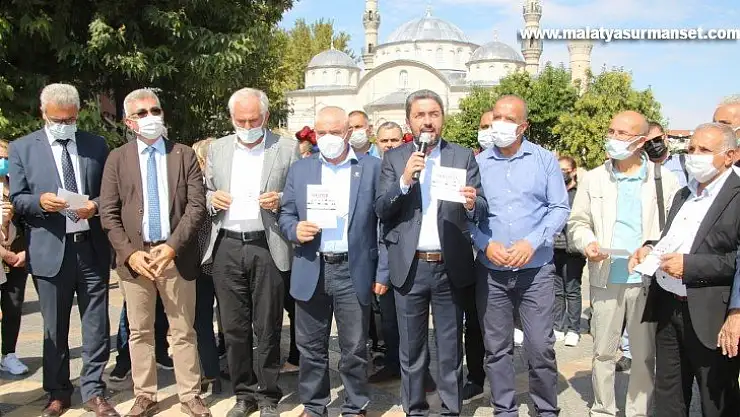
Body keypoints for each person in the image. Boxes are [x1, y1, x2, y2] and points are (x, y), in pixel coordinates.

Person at [375, 89, 486, 416]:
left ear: (443, 118)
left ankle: (450, 410)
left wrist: (471, 203)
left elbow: (481, 206)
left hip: (450, 266)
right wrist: (404, 181)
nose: (427, 121)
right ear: (409, 121)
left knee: (450, 349)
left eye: (433, 114)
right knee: (412, 351)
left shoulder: (462, 156)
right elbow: (381, 208)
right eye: (420, 115)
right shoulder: (395, 159)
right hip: (410, 267)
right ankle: (416, 410)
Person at [9, 83, 117, 417]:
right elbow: (18, 199)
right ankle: (57, 392)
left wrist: (94, 206)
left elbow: (109, 192)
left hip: (90, 249)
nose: (64, 124)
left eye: (70, 119)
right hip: (50, 250)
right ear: (43, 113)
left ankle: (94, 390)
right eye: (57, 119)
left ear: (78, 114)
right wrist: (40, 202)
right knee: (54, 327)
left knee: (96, 325)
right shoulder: (22, 148)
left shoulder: (96, 145)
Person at [100, 88, 210, 417]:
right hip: (136, 260)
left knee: (183, 330)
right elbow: (108, 212)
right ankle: (145, 395)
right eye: (142, 113)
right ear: (129, 122)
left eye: (155, 110)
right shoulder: (117, 158)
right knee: (140, 331)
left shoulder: (183, 155)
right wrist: (130, 254)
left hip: (175, 256)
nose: (151, 117)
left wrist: (173, 246)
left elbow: (196, 206)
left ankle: (190, 394)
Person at [568, 110, 680, 417]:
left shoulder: (663, 180)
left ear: (641, 141)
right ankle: (603, 408)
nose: (613, 138)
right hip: (607, 272)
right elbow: (578, 221)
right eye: (611, 131)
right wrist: (587, 242)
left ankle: (637, 411)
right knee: (603, 351)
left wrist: (652, 251)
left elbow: (674, 229)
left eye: (622, 134)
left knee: (643, 355)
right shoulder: (594, 178)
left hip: (646, 277)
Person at [279, 105, 384, 417]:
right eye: (321, 132)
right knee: (310, 347)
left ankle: (356, 405)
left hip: (353, 269)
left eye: (334, 132)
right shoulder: (301, 169)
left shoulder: (371, 168)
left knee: (354, 347)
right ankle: (314, 406)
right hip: (312, 266)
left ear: (348, 133)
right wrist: (294, 229)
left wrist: (383, 270)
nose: (327, 138)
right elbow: (286, 213)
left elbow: (383, 223)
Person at [632, 122, 740, 417]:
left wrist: (691, 266)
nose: (694, 155)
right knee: (669, 395)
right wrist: (650, 248)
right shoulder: (684, 194)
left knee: (716, 400)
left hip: (711, 314)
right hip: (669, 307)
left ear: (730, 156)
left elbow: (735, 259)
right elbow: (673, 239)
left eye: (704, 150)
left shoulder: (736, 195)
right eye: (691, 148)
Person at [203, 87, 299, 417]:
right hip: (227, 244)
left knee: (268, 325)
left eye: (253, 120)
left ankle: (269, 394)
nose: (247, 126)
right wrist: (212, 199)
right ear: (231, 118)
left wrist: (282, 199)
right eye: (240, 120)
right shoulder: (218, 148)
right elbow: (205, 190)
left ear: (266, 117)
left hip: (267, 244)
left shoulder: (286, 148)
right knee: (233, 326)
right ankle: (243, 394)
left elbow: (298, 193)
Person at [472, 95, 569, 417]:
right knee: (496, 349)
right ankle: (504, 410)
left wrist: (533, 242)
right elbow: (466, 216)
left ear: (523, 126)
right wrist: (484, 243)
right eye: (496, 117)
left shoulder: (544, 160)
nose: (499, 124)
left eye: (508, 119)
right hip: (491, 271)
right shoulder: (478, 164)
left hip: (535, 270)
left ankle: (546, 410)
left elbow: (559, 207)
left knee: (540, 347)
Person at [191, 138, 222, 394]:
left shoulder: (194, 188)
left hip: (202, 264)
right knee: (231, 319)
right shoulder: (225, 184)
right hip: (221, 262)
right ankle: (222, 368)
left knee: (201, 320)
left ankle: (211, 372)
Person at [0, 140, 29, 376]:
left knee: (13, 305)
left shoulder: (19, 187)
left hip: (18, 257)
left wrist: (26, 251)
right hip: (3, 254)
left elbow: (32, 223)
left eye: (6, 158)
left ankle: (8, 353)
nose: (3, 162)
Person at [552, 155, 587, 347]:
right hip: (554, 247)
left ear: (573, 171)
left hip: (573, 249)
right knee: (557, 290)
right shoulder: (554, 191)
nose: (561, 174)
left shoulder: (579, 193)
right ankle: (558, 326)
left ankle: (574, 329)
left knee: (572, 289)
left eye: (564, 170)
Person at [643, 122, 688, 187]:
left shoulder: (683, 162)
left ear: (665, 137)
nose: (653, 144)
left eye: (657, 139)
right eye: (648, 143)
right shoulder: (642, 170)